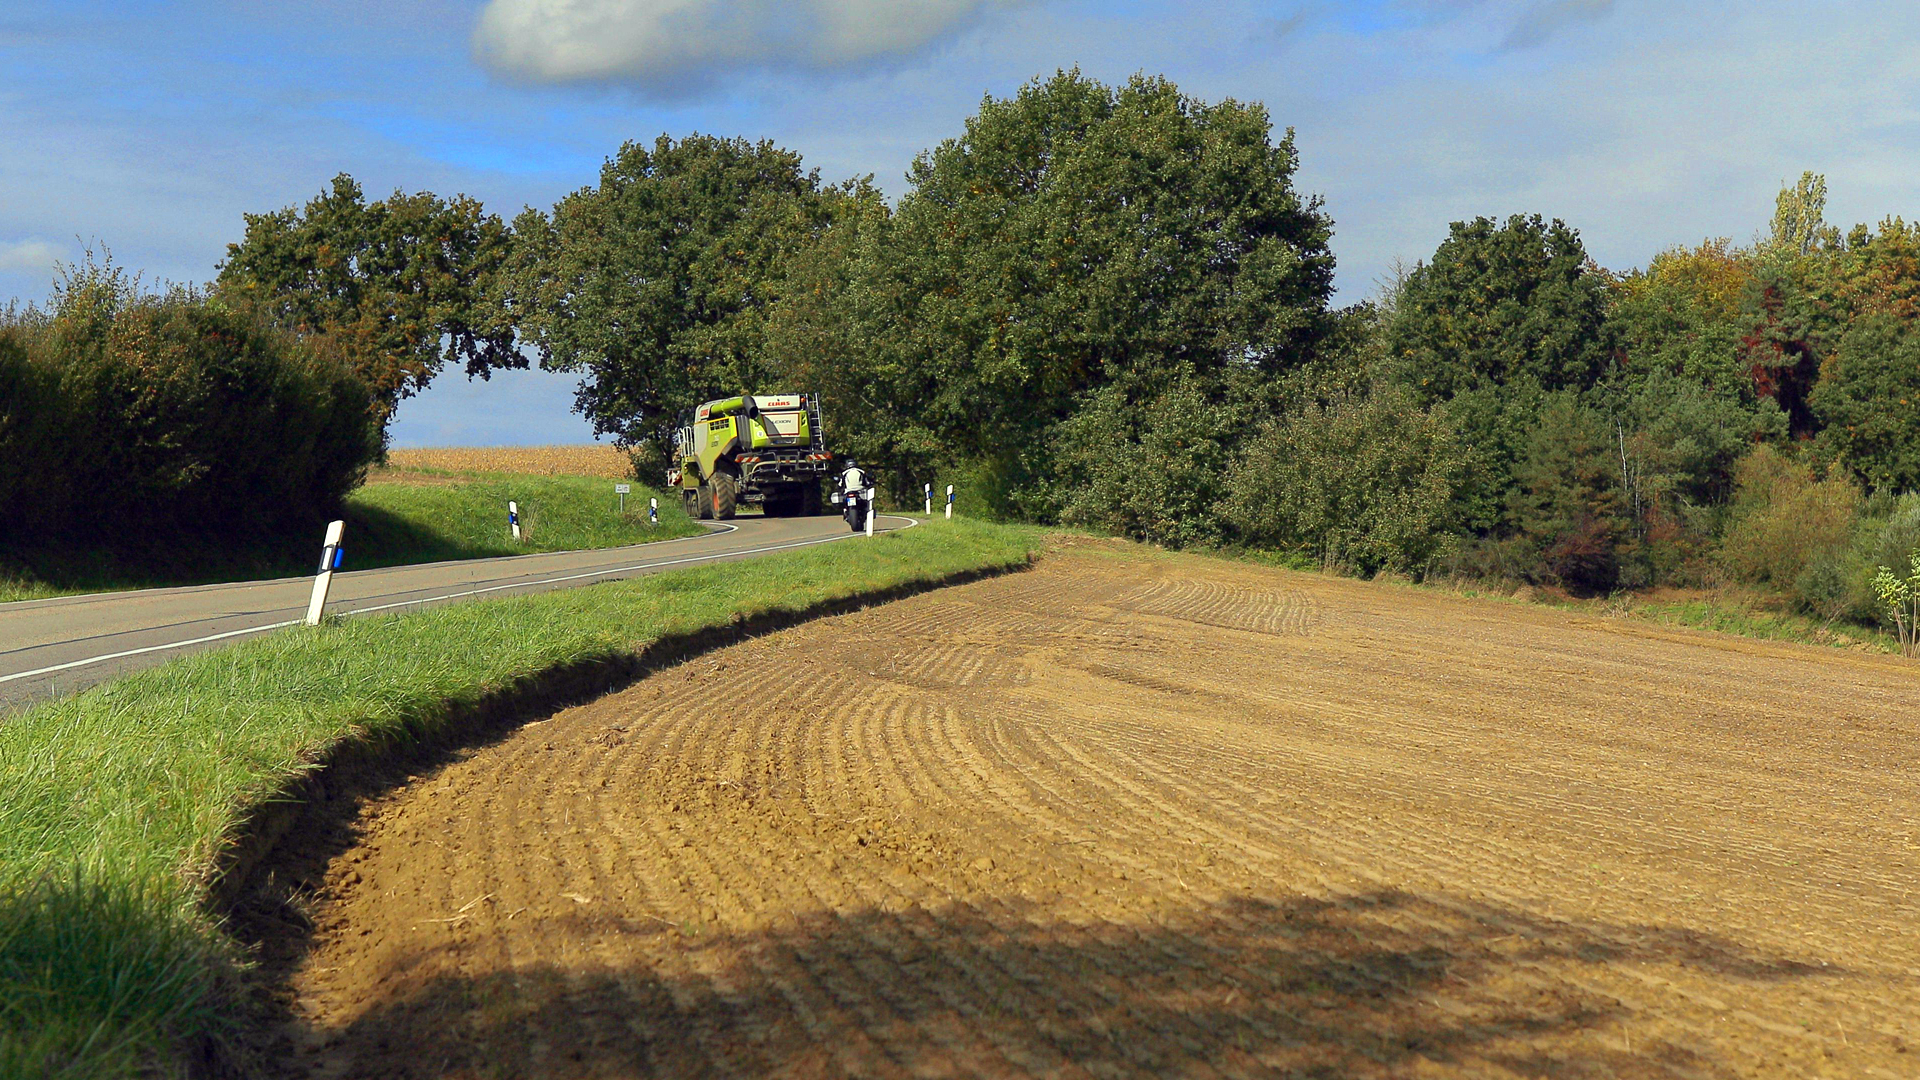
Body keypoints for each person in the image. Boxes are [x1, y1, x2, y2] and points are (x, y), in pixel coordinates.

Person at [840, 459, 869, 532]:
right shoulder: (861, 471)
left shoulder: (844, 473)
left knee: (844, 503)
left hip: (848, 491)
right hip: (860, 491)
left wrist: (841, 489)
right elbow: (867, 482)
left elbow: (840, 484)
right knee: (866, 502)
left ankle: (845, 511)